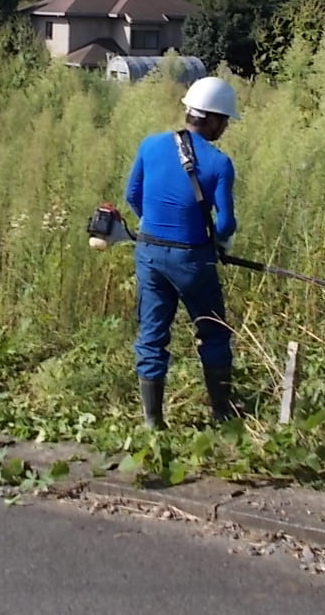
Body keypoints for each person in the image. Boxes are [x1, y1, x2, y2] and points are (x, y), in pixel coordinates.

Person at [125, 76, 240, 428]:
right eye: (225, 120)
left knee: (152, 336)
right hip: (192, 260)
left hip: (148, 254)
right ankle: (222, 414)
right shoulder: (219, 164)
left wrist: (157, 227)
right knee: (213, 333)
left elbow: (133, 195)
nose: (226, 127)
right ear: (211, 118)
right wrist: (216, 245)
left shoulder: (150, 145)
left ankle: (152, 422)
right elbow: (226, 223)